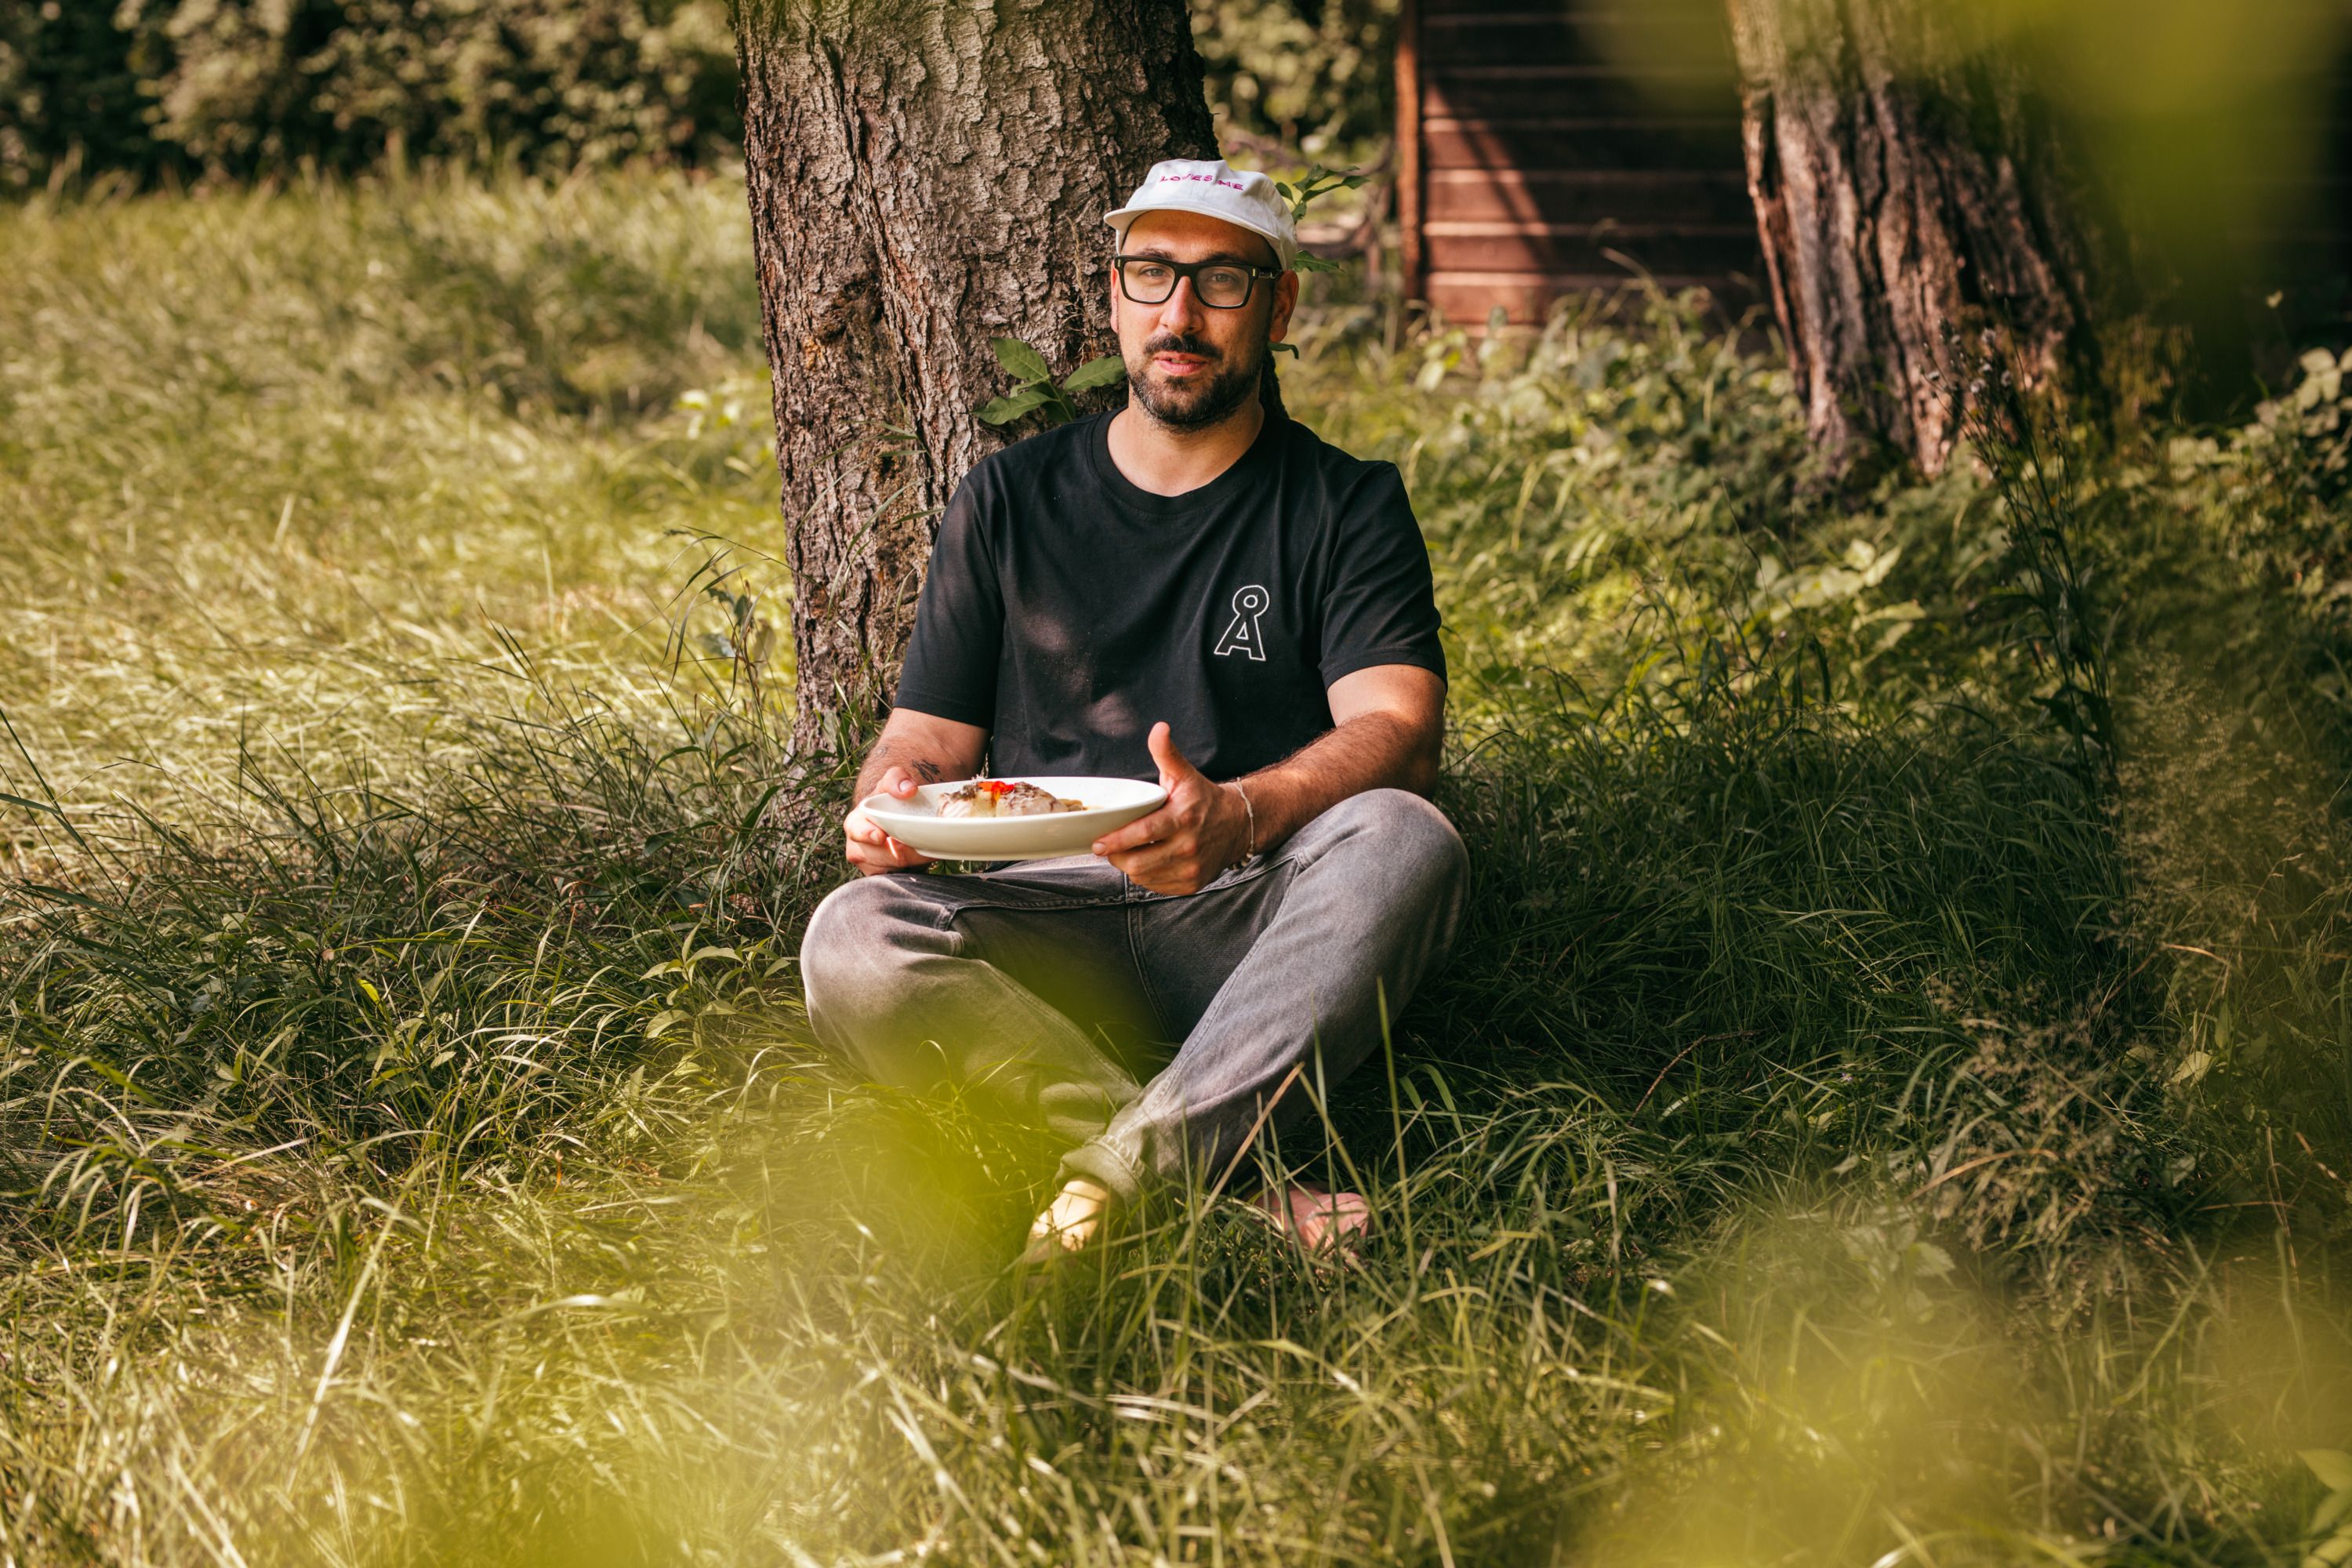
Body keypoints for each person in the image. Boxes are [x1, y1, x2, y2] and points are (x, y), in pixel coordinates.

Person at [798, 156, 1467, 1260]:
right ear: (1113, 295)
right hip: (1042, 921)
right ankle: (1214, 1181)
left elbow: (1400, 730)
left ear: (1280, 303)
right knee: (851, 938)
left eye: (1222, 281)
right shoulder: (1007, 497)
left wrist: (1243, 818)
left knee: (1406, 836)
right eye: (1150, 275)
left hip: (1251, 915)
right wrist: (890, 802)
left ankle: (1113, 1184)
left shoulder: (1347, 505)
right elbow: (925, 736)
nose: (1181, 313)